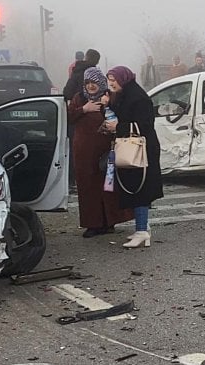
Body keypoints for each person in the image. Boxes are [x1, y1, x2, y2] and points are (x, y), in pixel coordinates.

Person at [67, 67, 134, 238]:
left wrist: (108, 109)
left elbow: (121, 116)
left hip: (106, 149)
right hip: (84, 152)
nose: (90, 86)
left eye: (94, 83)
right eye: (87, 83)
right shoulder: (79, 98)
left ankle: (109, 221)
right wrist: (84, 109)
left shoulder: (109, 97)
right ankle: (93, 224)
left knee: (109, 185)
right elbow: (68, 117)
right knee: (88, 187)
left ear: (101, 83)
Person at [103, 66, 164, 248]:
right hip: (132, 148)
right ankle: (142, 228)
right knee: (134, 187)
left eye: (114, 80)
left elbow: (144, 125)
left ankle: (142, 231)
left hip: (142, 150)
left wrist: (118, 127)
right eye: (110, 80)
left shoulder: (139, 98)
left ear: (124, 79)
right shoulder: (126, 95)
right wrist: (109, 105)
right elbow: (124, 113)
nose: (111, 83)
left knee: (140, 189)